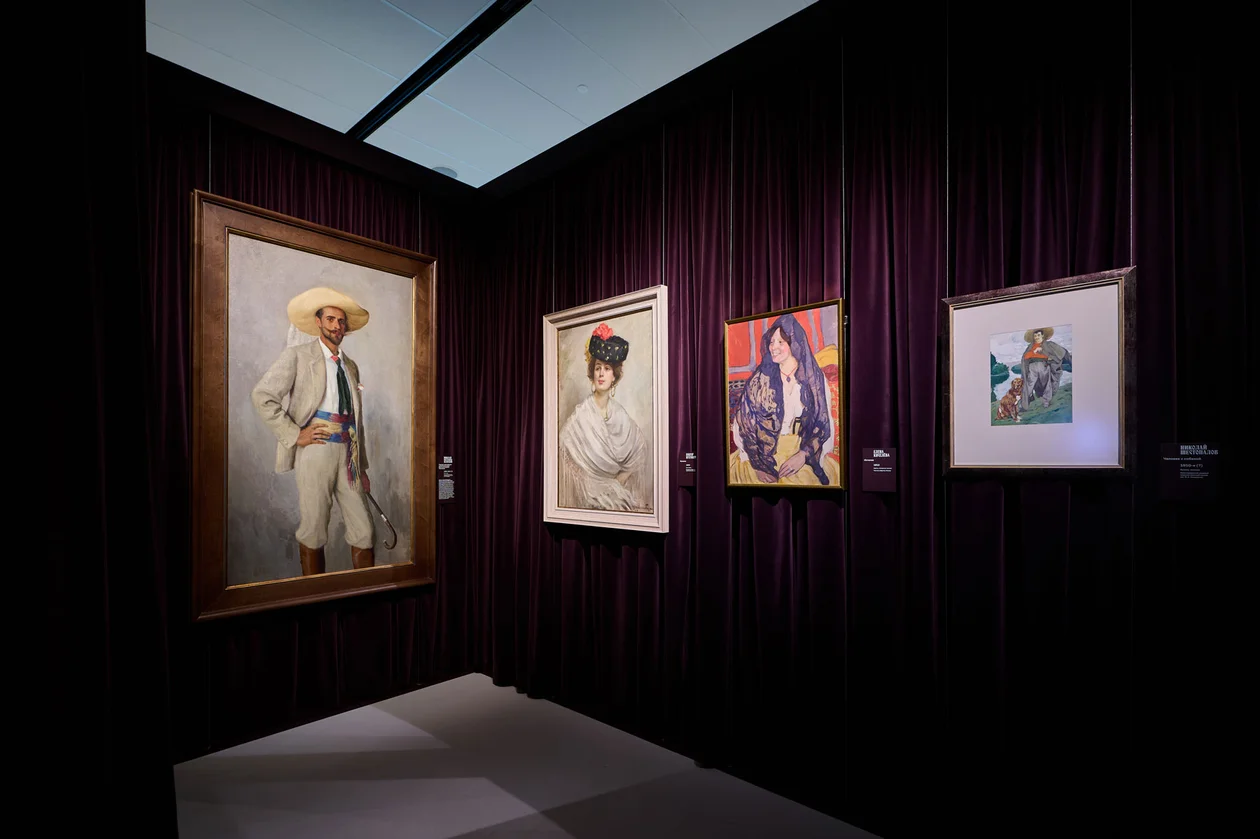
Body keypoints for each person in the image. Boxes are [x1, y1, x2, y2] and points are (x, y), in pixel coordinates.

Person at [252, 287, 375, 576]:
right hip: (315, 450)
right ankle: (314, 595)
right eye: (330, 319)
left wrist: (361, 467)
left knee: (364, 531)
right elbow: (262, 396)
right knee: (314, 528)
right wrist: (296, 435)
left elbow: (356, 422)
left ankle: (365, 593)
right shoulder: (297, 356)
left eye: (341, 321)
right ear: (318, 322)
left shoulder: (351, 366)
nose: (337, 326)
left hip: (349, 455)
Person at [729, 314, 839, 486]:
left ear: (794, 344)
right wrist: (757, 466)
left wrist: (802, 456)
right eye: (772, 342)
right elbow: (743, 425)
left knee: (808, 480)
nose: (774, 347)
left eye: (780, 342)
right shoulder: (759, 380)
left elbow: (823, 425)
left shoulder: (815, 380)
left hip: (801, 454)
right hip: (761, 456)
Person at [557, 323, 650, 512]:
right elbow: (565, 443)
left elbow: (640, 448)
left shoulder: (621, 415)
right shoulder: (581, 416)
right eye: (598, 367)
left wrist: (618, 482)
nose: (601, 373)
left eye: (607, 368)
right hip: (589, 499)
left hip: (617, 499)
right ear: (592, 373)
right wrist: (593, 486)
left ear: (614, 376)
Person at [1019, 327, 1071, 411]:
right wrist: (1034, 352)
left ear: (1042, 336)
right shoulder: (1030, 347)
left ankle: (1046, 403)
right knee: (1028, 385)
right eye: (1035, 335)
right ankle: (1024, 406)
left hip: (1044, 366)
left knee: (1047, 385)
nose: (1036, 337)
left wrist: (1045, 354)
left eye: (1038, 335)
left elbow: (1060, 353)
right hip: (1032, 368)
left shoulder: (1049, 345)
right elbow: (1025, 357)